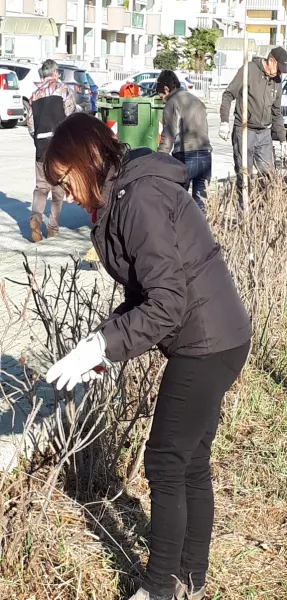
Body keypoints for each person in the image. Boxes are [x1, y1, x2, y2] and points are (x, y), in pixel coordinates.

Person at [44, 113, 251, 600]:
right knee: (190, 461)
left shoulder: (138, 199)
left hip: (204, 340)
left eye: (64, 181)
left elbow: (167, 303)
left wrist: (103, 345)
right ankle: (190, 581)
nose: (63, 194)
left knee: (164, 461)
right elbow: (148, 293)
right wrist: (100, 347)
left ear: (88, 161)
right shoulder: (123, 196)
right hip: (217, 334)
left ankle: (159, 589)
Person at [219, 46, 287, 207]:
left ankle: (263, 214)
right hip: (244, 129)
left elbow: (276, 112)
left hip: (264, 133)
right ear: (271, 61)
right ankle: (244, 213)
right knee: (245, 175)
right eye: (279, 69)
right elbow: (228, 95)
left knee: (269, 175)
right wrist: (223, 121)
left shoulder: (277, 81)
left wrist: (283, 139)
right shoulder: (248, 70)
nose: (280, 74)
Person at [27, 59, 76, 242]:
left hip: (41, 147)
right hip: (59, 148)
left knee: (41, 187)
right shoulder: (64, 91)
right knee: (57, 188)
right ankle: (53, 227)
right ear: (55, 72)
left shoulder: (34, 95)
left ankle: (36, 218)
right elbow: (70, 118)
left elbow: (31, 126)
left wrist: (38, 139)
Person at [157, 70, 212, 212]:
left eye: (161, 95)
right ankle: (201, 233)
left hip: (186, 155)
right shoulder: (195, 99)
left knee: (177, 204)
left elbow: (168, 134)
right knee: (201, 205)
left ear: (166, 89)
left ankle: (179, 234)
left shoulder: (172, 103)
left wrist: (159, 159)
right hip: (206, 155)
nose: (162, 99)